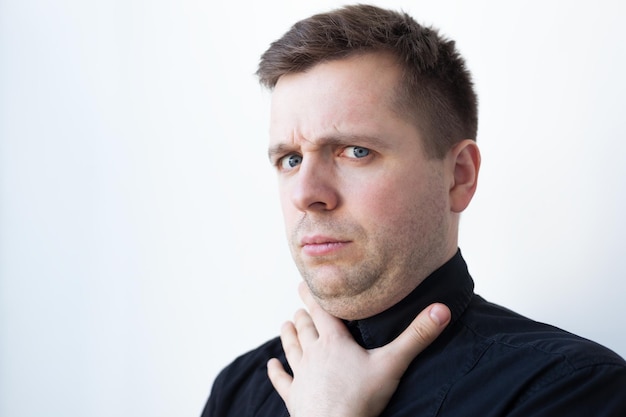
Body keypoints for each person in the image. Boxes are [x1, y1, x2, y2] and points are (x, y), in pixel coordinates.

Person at [202, 4, 626, 416]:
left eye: (355, 151)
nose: (306, 194)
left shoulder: (572, 389)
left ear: (458, 176)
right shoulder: (240, 390)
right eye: (290, 160)